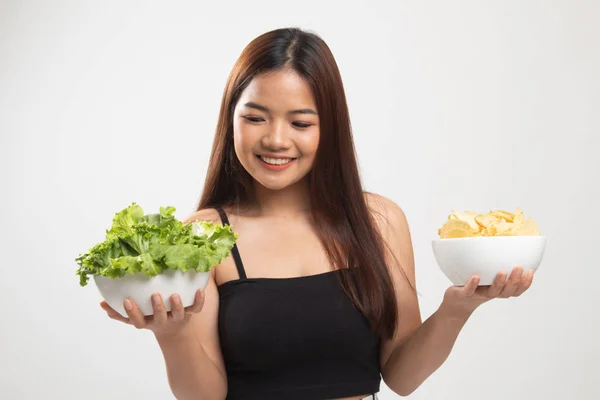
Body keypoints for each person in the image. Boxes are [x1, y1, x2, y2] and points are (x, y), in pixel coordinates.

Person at [100, 27, 536, 400]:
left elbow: (401, 377)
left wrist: (456, 310)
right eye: (255, 118)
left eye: (301, 123)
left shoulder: (379, 220)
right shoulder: (204, 235)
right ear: (230, 119)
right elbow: (207, 395)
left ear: (330, 128)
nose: (275, 139)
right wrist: (172, 335)